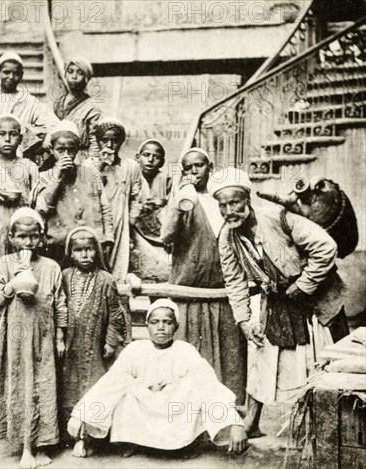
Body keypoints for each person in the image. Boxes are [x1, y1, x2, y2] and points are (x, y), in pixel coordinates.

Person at [210, 167, 349, 437]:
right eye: (223, 206)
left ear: (247, 200)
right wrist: (243, 320)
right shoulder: (227, 237)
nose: (229, 211)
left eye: (235, 203)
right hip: (276, 299)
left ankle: (329, 428)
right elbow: (235, 280)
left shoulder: (277, 217)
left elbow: (326, 247)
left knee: (323, 361)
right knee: (261, 356)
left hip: (317, 299)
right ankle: (252, 421)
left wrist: (305, 283)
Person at [67, 299, 248, 458]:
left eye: (167, 322)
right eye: (155, 322)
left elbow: (209, 385)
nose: (160, 327)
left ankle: (184, 444)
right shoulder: (135, 349)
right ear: (148, 325)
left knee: (193, 386)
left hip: (174, 411)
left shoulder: (185, 351)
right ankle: (131, 441)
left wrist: (234, 422)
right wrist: (81, 414)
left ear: (176, 326)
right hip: (143, 409)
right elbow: (110, 383)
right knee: (125, 387)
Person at [160, 148, 246, 407]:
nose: (194, 172)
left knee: (229, 357)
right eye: (187, 168)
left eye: (199, 166)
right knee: (188, 357)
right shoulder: (183, 200)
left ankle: (228, 412)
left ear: (210, 166)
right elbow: (166, 236)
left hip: (224, 290)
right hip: (190, 291)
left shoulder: (223, 199)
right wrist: (178, 202)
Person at [0, 208, 67, 469]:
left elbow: (60, 304)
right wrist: (13, 284)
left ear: (41, 238)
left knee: (43, 386)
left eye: (33, 237)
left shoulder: (51, 267)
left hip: (44, 336)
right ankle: (25, 446)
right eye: (22, 237)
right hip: (15, 339)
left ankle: (42, 444)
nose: (28, 242)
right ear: (12, 237)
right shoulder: (4, 264)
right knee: (21, 385)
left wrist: (59, 337)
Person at [61, 226, 125, 452]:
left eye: (90, 249)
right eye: (79, 250)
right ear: (71, 253)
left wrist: (110, 341)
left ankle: (89, 438)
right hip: (70, 345)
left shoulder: (105, 279)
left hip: (96, 346)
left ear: (97, 251)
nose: (85, 255)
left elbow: (116, 314)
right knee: (70, 386)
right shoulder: (65, 276)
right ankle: (71, 435)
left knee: (94, 387)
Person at [33, 120, 114, 265]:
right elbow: (41, 208)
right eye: (60, 150)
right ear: (52, 150)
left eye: (71, 150)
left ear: (77, 150)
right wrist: (57, 177)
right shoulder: (45, 176)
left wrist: (108, 237)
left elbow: (105, 207)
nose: (66, 155)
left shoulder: (90, 174)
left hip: (91, 245)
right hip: (59, 246)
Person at [0, 52, 58, 162]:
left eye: (16, 73)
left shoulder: (29, 101)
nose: (11, 77)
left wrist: (41, 140)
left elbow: (54, 124)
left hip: (21, 161)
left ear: (22, 75)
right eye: (6, 72)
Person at [0, 114, 38, 260]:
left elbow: (36, 202)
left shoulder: (29, 166)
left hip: (24, 231)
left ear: (21, 139)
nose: (7, 139)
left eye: (13, 134)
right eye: (1, 134)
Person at [94, 118, 143, 283]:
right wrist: (101, 166)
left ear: (121, 142)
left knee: (119, 268)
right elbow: (87, 190)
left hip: (121, 223)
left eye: (114, 141)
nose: (109, 145)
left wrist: (131, 220)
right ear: (98, 141)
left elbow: (136, 196)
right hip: (97, 222)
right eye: (104, 140)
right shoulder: (88, 165)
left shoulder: (130, 166)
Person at [130, 139, 172, 284]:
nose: (150, 160)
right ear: (137, 157)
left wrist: (164, 202)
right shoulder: (131, 177)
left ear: (161, 162)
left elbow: (174, 205)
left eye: (156, 157)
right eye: (146, 155)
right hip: (135, 232)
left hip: (159, 234)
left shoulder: (166, 179)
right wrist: (141, 208)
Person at [53, 57, 102, 162]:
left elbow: (95, 141)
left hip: (79, 157)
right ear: (65, 75)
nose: (74, 76)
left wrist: (92, 165)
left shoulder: (92, 108)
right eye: (70, 72)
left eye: (79, 73)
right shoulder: (58, 103)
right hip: (57, 156)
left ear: (86, 78)